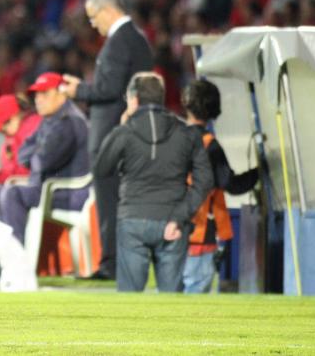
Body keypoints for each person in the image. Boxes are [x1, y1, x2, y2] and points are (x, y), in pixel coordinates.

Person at [61, 0, 153, 280]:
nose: (92, 24)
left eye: (93, 17)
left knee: (109, 199)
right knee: (122, 199)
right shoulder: (138, 40)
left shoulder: (118, 42)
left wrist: (78, 90)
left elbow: (109, 90)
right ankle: (123, 263)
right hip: (128, 133)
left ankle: (111, 264)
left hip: (109, 136)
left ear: (108, 10)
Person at [94, 72, 213, 293]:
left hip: (133, 218)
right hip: (172, 221)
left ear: (134, 100)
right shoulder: (186, 133)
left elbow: (101, 169)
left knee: (130, 302)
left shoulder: (125, 132)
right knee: (170, 302)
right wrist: (180, 215)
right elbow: (205, 180)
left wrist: (121, 128)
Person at [180, 79, 258, 294]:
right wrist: (258, 172)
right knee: (196, 293)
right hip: (201, 230)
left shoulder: (174, 138)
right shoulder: (209, 145)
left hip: (172, 230)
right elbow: (229, 183)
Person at [0, 72, 90, 245]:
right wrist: (36, 155)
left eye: (45, 94)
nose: (38, 99)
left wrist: (35, 156)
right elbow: (23, 154)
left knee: (12, 193)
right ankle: (7, 251)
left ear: (62, 93)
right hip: (50, 188)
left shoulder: (68, 121)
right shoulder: (50, 119)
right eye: (37, 95)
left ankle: (19, 255)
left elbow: (42, 162)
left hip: (69, 192)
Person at [0, 93, 40, 218]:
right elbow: (12, 168)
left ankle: (16, 232)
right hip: (23, 185)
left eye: (4, 124)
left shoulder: (32, 128)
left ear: (17, 115)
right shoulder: (12, 136)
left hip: (38, 186)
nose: (2, 130)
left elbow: (29, 170)